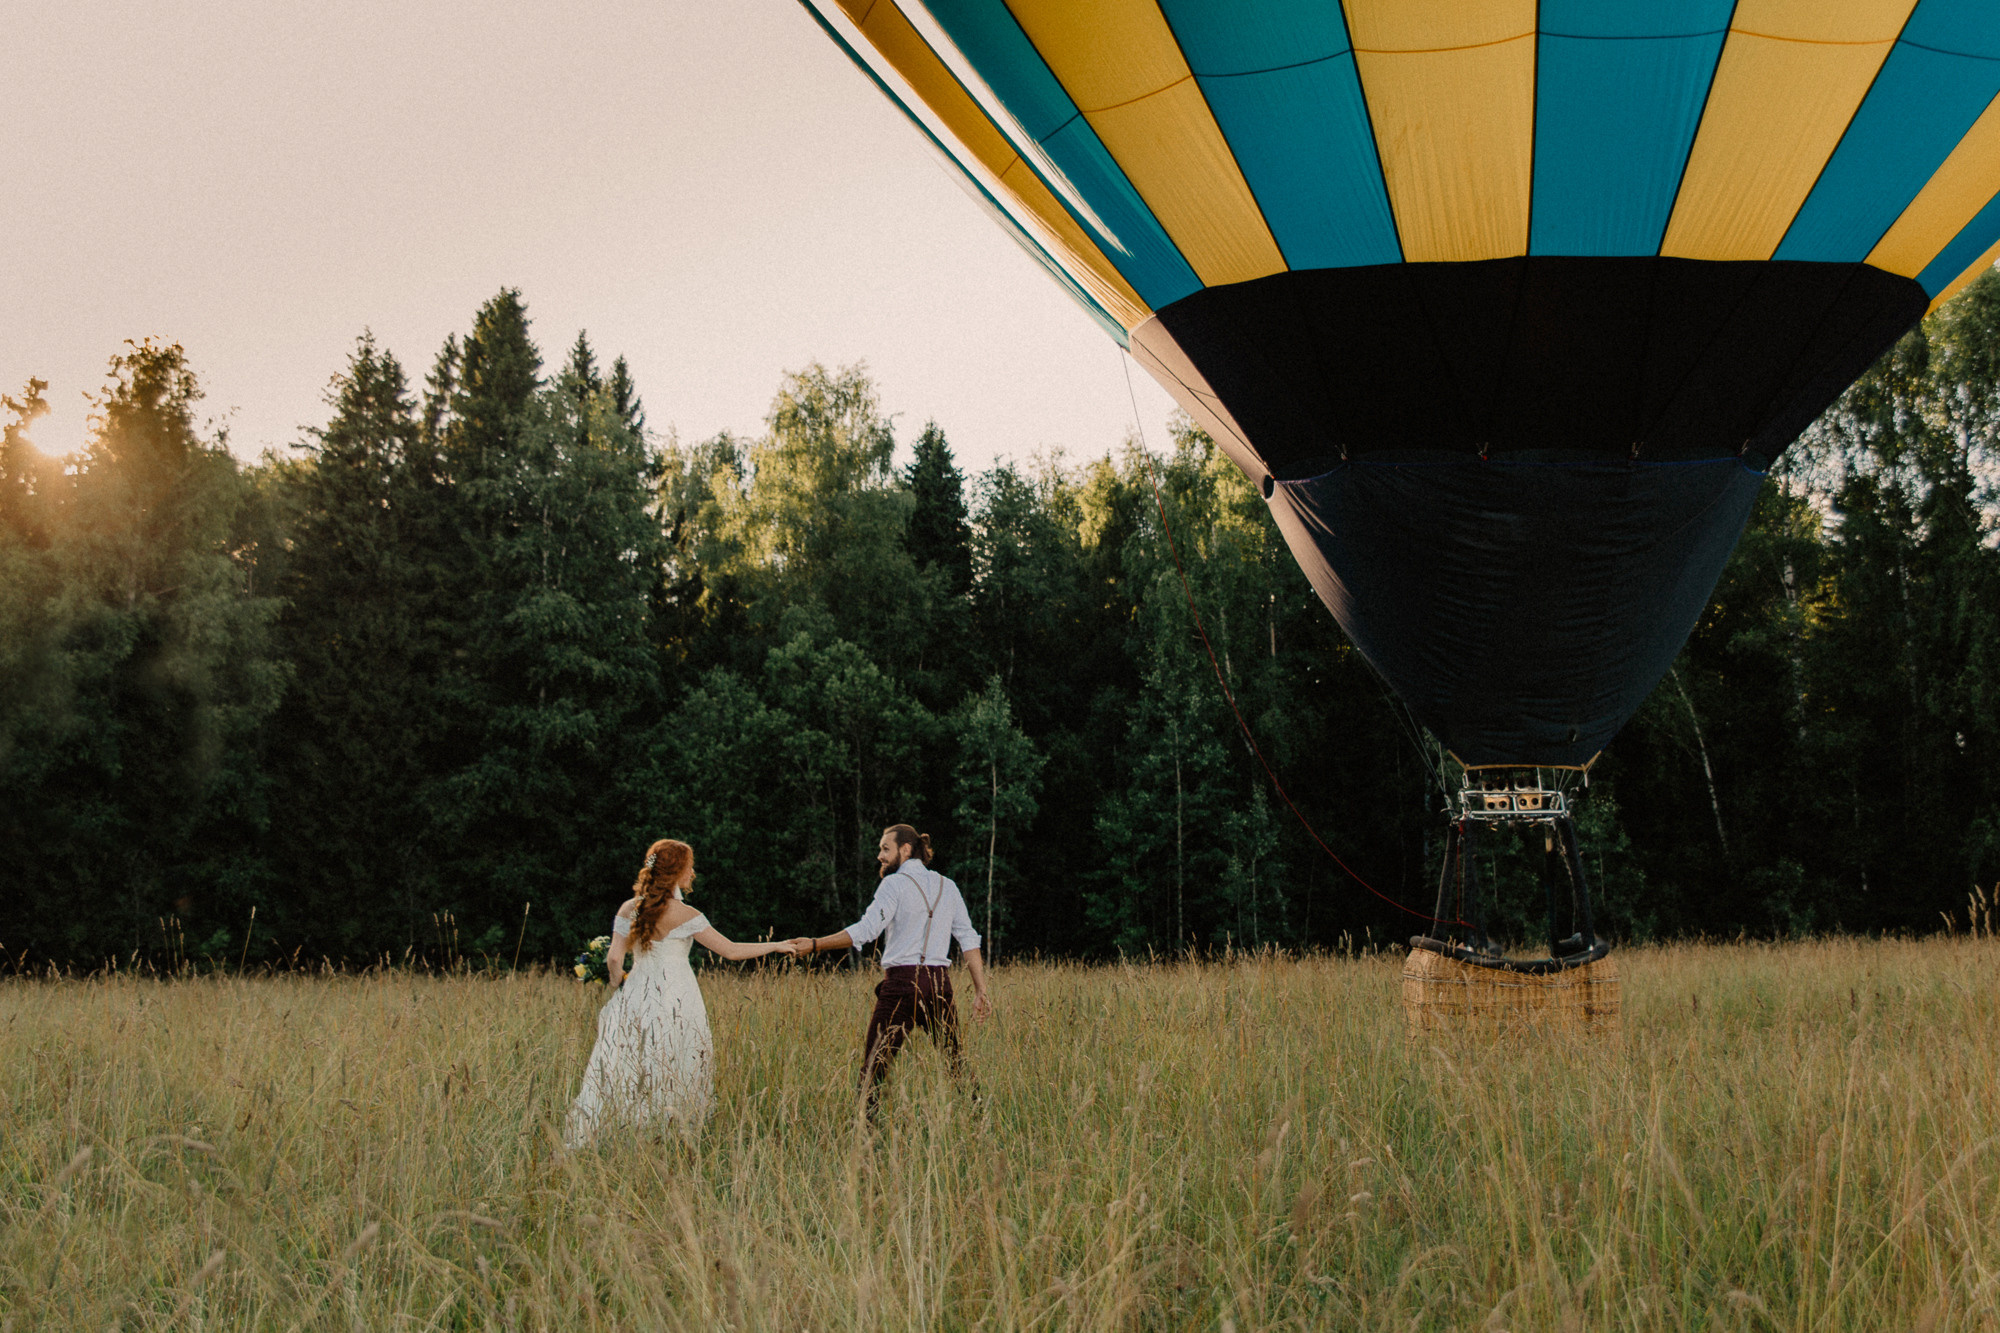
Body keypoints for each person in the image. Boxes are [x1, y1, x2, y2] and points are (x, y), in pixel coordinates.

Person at [565, 839, 796, 1145]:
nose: (692, 873)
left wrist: (616, 982)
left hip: (637, 992)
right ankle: (669, 1133)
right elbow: (731, 951)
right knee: (675, 1058)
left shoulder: (629, 908)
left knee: (631, 1060)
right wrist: (775, 945)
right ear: (675, 872)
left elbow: (614, 959)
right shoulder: (687, 914)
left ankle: (621, 1131)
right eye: (689, 867)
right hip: (678, 996)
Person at [790, 824, 991, 1115]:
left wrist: (814, 944)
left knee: (874, 1068)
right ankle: (979, 1120)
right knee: (955, 1062)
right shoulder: (948, 886)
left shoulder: (893, 884)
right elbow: (968, 939)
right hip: (939, 985)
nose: (880, 856)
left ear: (905, 850)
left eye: (886, 849)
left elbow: (867, 930)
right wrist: (980, 989)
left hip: (901, 986)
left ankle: (864, 1133)